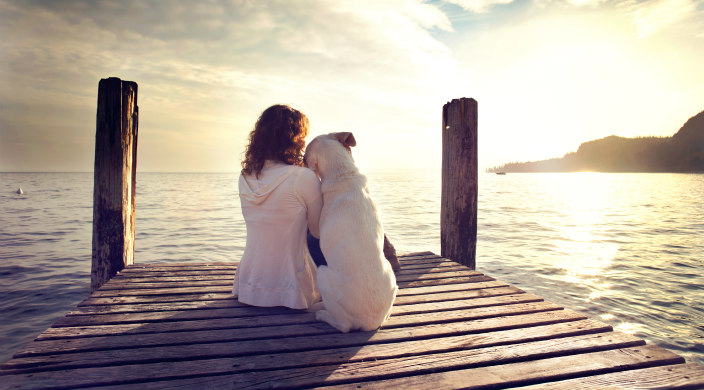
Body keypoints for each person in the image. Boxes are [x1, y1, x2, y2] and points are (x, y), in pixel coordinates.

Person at [234, 104, 323, 310]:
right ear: (295, 139)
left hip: (248, 284)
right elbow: (318, 231)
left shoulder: (245, 175)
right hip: (292, 289)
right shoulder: (304, 177)